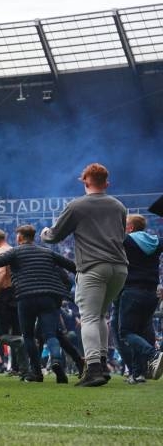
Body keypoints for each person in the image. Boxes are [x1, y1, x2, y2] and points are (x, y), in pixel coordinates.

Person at [40, 163, 128, 387]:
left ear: (85, 182)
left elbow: (54, 236)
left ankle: (94, 370)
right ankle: (102, 363)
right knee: (100, 315)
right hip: (119, 268)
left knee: (88, 316)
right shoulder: (119, 206)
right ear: (106, 183)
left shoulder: (77, 205)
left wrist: (43, 233)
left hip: (93, 267)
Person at [0, 225, 77, 384]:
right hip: (49, 297)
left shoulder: (14, 252)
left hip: (25, 297)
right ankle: (56, 361)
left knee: (27, 336)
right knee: (50, 334)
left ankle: (36, 372)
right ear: (33, 237)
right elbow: (72, 267)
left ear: (20, 237)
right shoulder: (48, 252)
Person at [114, 214, 162, 383]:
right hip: (152, 293)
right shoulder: (156, 242)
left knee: (126, 332)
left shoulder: (126, 241)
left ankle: (153, 354)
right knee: (138, 331)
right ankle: (137, 374)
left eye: (125, 225)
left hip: (133, 290)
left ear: (131, 228)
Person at [0, 229, 25, 376]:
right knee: (16, 331)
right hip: (17, 294)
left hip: (4, 295)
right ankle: (17, 368)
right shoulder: (14, 251)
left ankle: (21, 347)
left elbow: (1, 273)